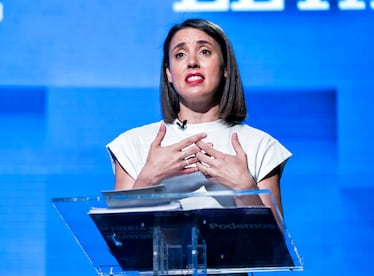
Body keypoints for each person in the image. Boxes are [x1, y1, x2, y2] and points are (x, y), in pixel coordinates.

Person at [106, 18, 291, 215]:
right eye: (180, 54)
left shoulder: (259, 145)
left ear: (225, 67)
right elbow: (119, 238)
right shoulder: (132, 144)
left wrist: (243, 185)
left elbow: (274, 242)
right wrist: (149, 178)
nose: (192, 62)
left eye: (205, 51)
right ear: (168, 73)